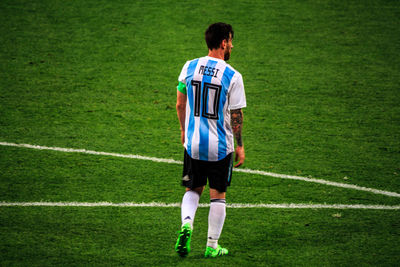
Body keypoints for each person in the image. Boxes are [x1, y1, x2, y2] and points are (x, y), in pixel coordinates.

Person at [174, 22, 246, 258]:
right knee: (218, 194)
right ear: (224, 42)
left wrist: (184, 131)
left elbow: (179, 103)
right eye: (231, 41)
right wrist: (240, 145)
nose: (232, 46)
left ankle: (186, 224)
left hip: (193, 143)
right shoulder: (232, 75)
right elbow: (236, 114)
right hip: (220, 147)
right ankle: (212, 246)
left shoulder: (189, 67)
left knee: (193, 188)